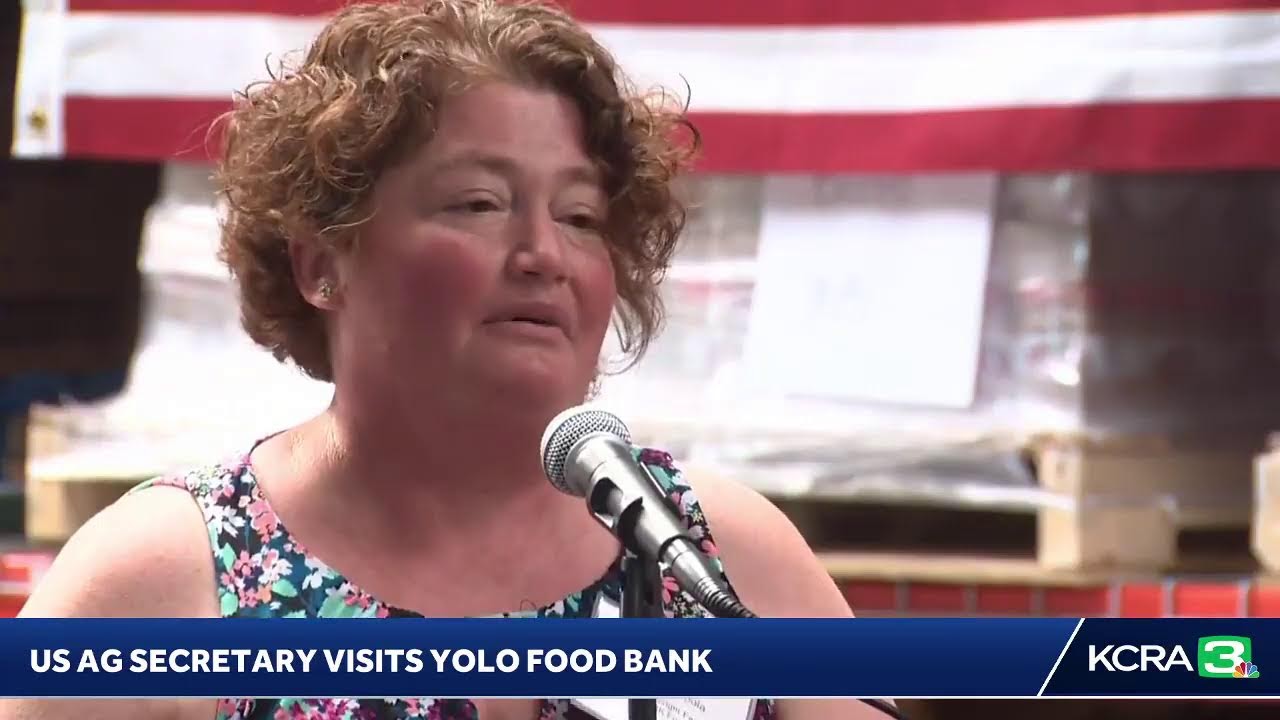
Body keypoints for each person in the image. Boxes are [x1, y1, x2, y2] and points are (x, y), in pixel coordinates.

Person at [2, 2, 889, 719]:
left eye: (580, 217)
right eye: (478, 204)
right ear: (321, 263)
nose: (544, 252)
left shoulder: (721, 553)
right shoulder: (159, 581)